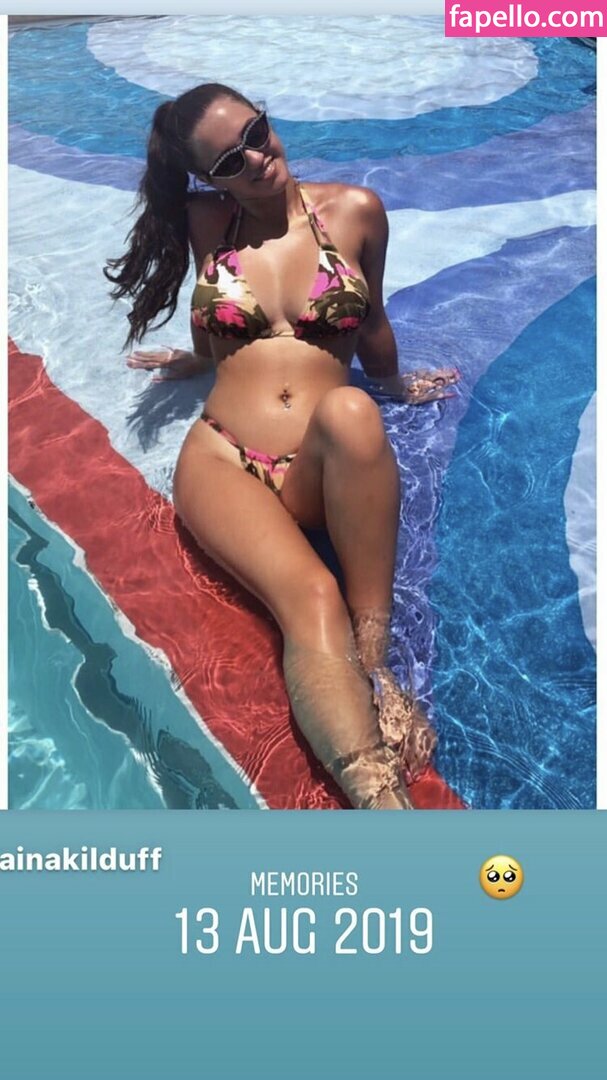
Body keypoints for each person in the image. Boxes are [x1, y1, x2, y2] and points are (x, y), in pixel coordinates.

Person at [105, 83, 459, 810]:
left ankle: (378, 669)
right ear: (208, 178)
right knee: (312, 597)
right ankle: (380, 805)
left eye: (256, 133)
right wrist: (193, 359)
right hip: (223, 456)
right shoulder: (208, 219)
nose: (257, 158)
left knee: (353, 409)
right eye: (230, 161)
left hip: (318, 466)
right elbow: (216, 322)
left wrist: (394, 385)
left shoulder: (355, 211)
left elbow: (371, 319)